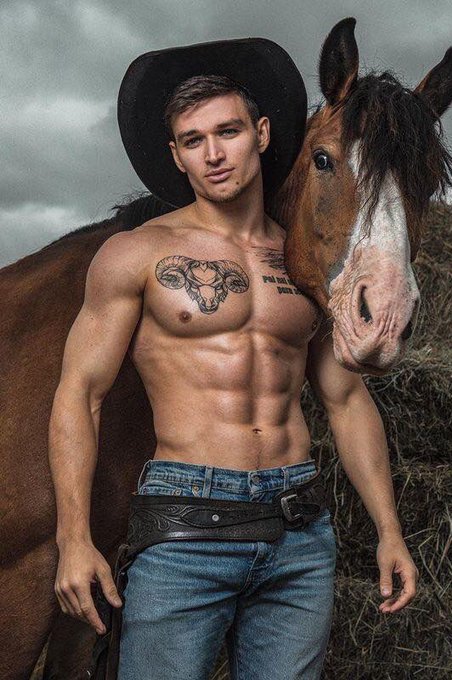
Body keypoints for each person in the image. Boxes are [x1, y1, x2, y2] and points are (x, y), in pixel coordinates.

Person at [49, 37, 418, 680]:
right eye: (193, 141)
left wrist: (389, 528)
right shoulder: (137, 253)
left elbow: (345, 399)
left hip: (297, 532)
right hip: (185, 527)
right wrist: (73, 539)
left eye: (228, 131)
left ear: (262, 133)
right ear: (177, 155)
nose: (214, 154)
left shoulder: (302, 263)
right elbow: (81, 394)